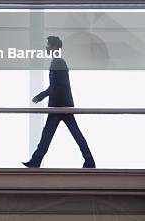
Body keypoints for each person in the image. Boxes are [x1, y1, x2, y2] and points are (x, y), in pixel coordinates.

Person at [23, 36, 96, 168]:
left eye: (48, 45)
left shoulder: (57, 63)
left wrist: (40, 96)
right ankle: (89, 161)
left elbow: (55, 87)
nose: (46, 48)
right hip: (62, 105)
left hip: (59, 106)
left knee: (49, 135)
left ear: (55, 47)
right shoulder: (58, 62)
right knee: (69, 134)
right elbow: (57, 86)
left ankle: (35, 161)